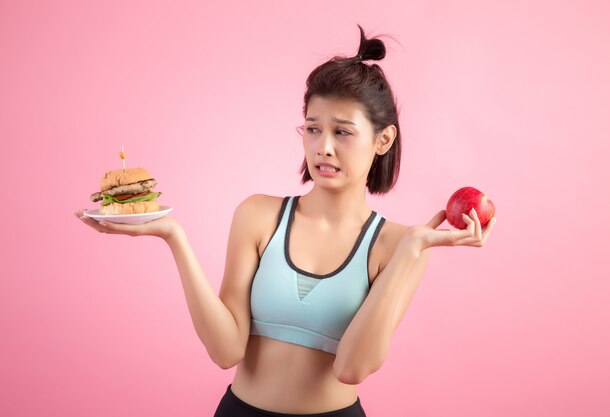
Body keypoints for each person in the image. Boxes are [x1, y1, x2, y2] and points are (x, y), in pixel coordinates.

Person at [75, 24, 496, 417]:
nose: (323, 147)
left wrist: (410, 252)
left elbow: (352, 368)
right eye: (313, 129)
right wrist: (174, 237)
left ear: (383, 139)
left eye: (343, 132)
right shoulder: (258, 215)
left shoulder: (400, 245)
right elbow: (226, 352)